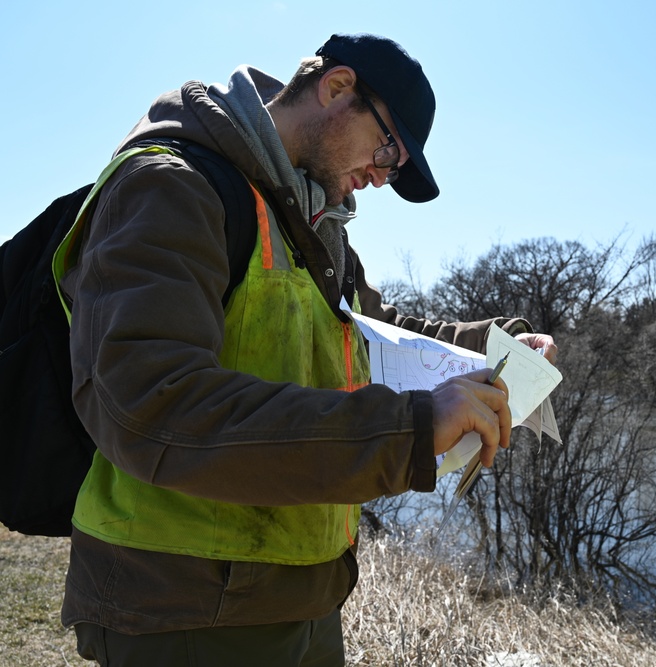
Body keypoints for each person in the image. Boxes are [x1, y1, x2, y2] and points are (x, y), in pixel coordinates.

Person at [58, 33, 556, 666]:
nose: (381, 177)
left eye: (395, 167)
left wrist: (493, 346)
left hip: (305, 596)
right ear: (337, 87)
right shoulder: (170, 186)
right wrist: (408, 430)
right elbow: (149, 404)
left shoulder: (314, 222)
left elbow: (376, 331)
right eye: (386, 149)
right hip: (185, 612)